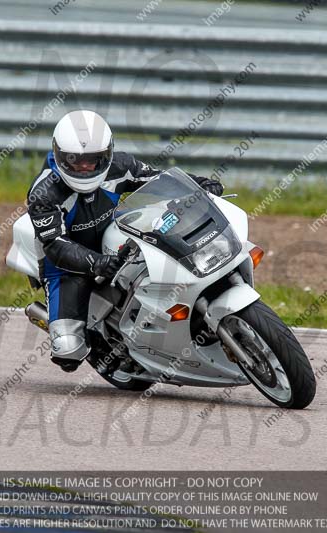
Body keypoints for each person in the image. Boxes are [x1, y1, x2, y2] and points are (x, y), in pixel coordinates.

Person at [27, 109, 224, 372]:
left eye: (93, 161)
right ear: (59, 156)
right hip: (66, 263)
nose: (84, 168)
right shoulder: (43, 193)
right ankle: (87, 338)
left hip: (113, 235)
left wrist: (200, 185)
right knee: (68, 352)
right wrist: (96, 263)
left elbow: (159, 179)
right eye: (74, 161)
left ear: (107, 154)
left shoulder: (120, 166)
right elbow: (54, 246)